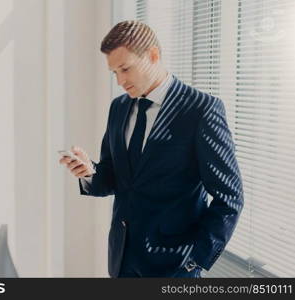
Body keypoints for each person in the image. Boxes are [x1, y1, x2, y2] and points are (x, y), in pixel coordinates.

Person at [59, 20, 244, 278]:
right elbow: (114, 178)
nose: (120, 81)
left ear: (153, 55)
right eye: (114, 73)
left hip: (175, 269)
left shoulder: (201, 110)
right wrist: (89, 172)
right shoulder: (119, 108)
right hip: (121, 261)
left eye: (125, 68)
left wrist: (195, 261)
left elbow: (230, 198)